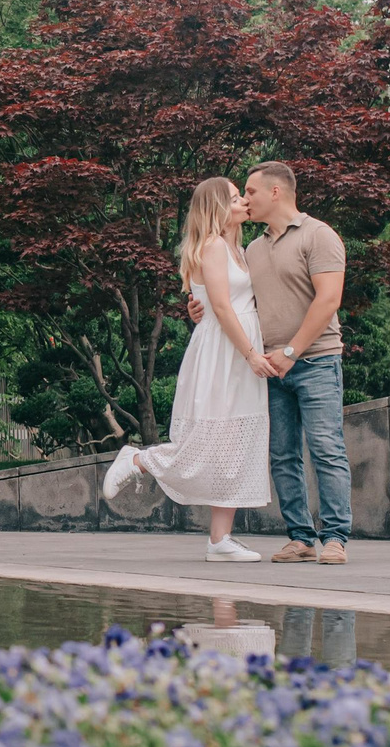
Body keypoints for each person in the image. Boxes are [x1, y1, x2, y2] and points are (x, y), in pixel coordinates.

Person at [101, 176, 271, 561]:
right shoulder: (213, 247)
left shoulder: (238, 249)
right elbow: (223, 309)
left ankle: (220, 540)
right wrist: (250, 354)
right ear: (216, 209)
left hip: (238, 351)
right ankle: (139, 460)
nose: (243, 200)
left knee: (233, 446)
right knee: (207, 443)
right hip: (225, 354)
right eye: (234, 197)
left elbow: (214, 304)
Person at [239, 161, 353, 565]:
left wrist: (291, 352)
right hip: (270, 368)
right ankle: (301, 538)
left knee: (326, 448)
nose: (244, 198)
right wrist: (201, 308)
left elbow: (329, 300)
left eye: (250, 191)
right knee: (283, 455)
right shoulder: (252, 248)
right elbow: (238, 301)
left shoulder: (318, 235)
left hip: (317, 361)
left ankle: (335, 537)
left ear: (275, 192)